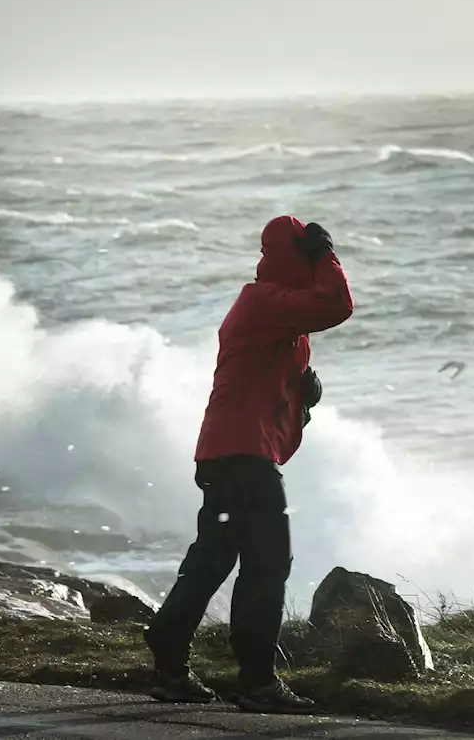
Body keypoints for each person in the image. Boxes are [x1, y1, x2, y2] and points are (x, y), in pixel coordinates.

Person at [144, 215, 354, 714]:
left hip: (224, 454)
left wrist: (302, 396)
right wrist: (328, 256)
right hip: (244, 458)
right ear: (297, 258)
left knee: (213, 557)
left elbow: (263, 388)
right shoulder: (264, 301)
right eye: (309, 258)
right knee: (266, 564)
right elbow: (337, 304)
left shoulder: (272, 308)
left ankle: (169, 659)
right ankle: (258, 682)